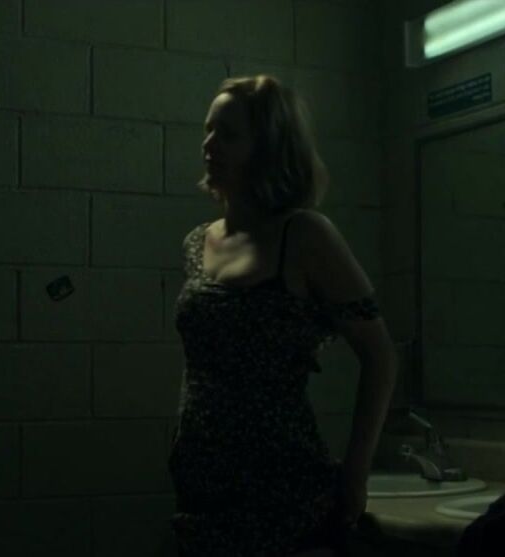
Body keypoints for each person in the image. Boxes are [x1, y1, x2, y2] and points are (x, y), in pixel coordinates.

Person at [169, 75, 398, 556]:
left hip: (281, 489)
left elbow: (380, 356)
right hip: (201, 488)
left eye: (229, 134)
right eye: (208, 130)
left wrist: (355, 474)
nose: (210, 145)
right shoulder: (197, 242)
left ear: (268, 148)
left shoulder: (305, 235)